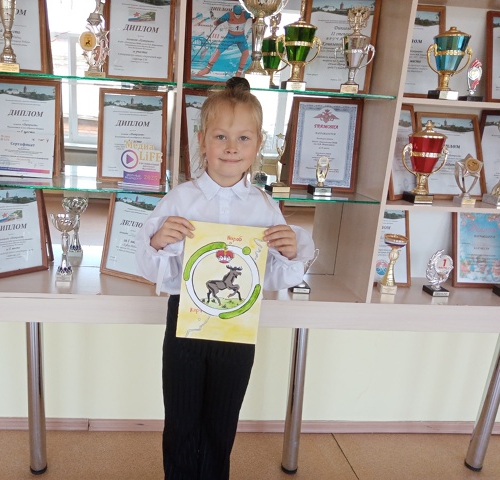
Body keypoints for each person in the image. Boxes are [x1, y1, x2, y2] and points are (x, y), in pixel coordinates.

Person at [135, 77, 315, 479]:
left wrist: (291, 251)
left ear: (258, 143)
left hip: (237, 328)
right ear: (202, 140)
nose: (232, 147)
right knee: (181, 418)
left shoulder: (264, 208)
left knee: (222, 422)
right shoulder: (179, 199)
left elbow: (274, 276)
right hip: (185, 324)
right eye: (221, 136)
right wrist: (158, 242)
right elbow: (152, 268)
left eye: (243, 138)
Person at [196, 5, 251, 77]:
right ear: (233, 12)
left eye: (239, 14)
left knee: (246, 53)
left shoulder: (245, 14)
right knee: (218, 50)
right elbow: (220, 20)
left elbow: (254, 15)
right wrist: (217, 22)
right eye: (236, 14)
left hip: (241, 37)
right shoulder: (229, 15)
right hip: (230, 37)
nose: (238, 16)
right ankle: (208, 68)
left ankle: (239, 72)